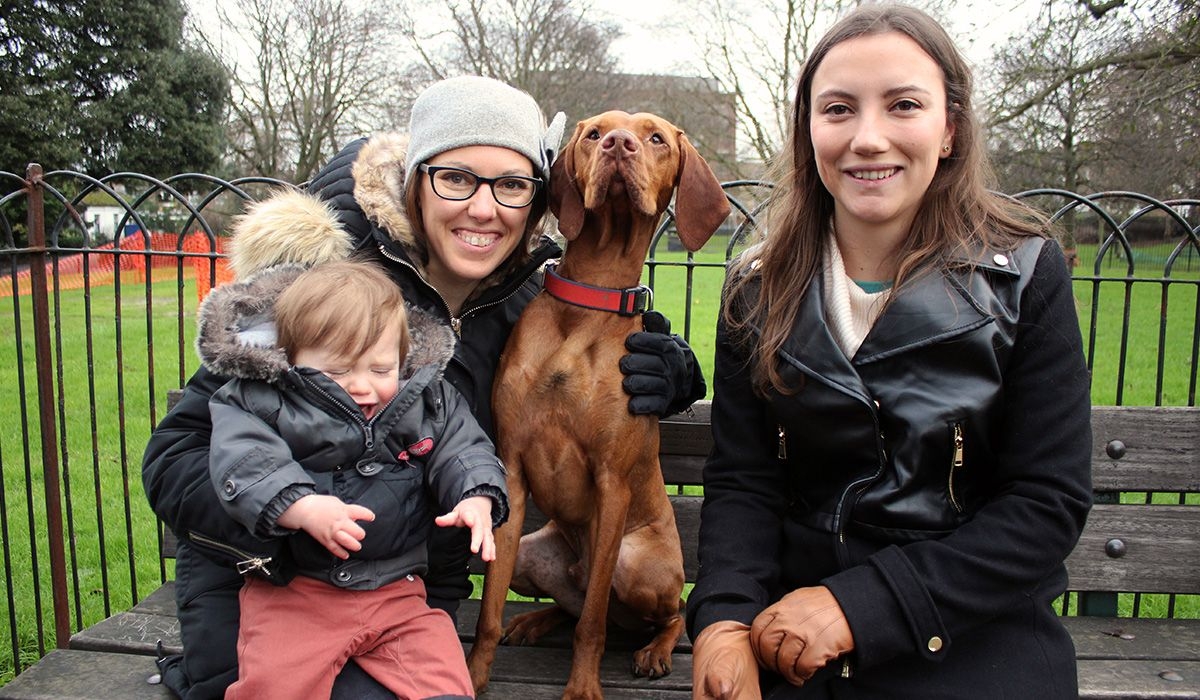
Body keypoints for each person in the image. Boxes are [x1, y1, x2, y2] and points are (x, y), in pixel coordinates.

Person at [142, 75, 706, 699]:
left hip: (402, 599)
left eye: (512, 186)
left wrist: (676, 371)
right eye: (457, 179)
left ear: (537, 201)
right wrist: (294, 519)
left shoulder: (523, 306)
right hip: (263, 580)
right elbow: (177, 455)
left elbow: (588, 377)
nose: (484, 209)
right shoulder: (318, 285)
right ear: (416, 180)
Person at [686, 5, 1093, 699]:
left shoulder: (1024, 275)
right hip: (792, 644)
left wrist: (861, 606)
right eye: (838, 109)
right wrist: (723, 621)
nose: (867, 138)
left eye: (903, 104)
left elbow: (1045, 503)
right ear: (809, 129)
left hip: (974, 638)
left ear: (950, 129)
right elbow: (744, 481)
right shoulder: (755, 288)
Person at [199, 259, 500, 699]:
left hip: (399, 594)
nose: (362, 386)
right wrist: (299, 505)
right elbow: (244, 457)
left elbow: (463, 446)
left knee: (446, 684)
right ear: (292, 356)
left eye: (381, 370)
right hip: (297, 595)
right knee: (274, 685)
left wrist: (476, 496)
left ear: (401, 357)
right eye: (338, 372)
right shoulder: (263, 399)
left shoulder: (426, 397)